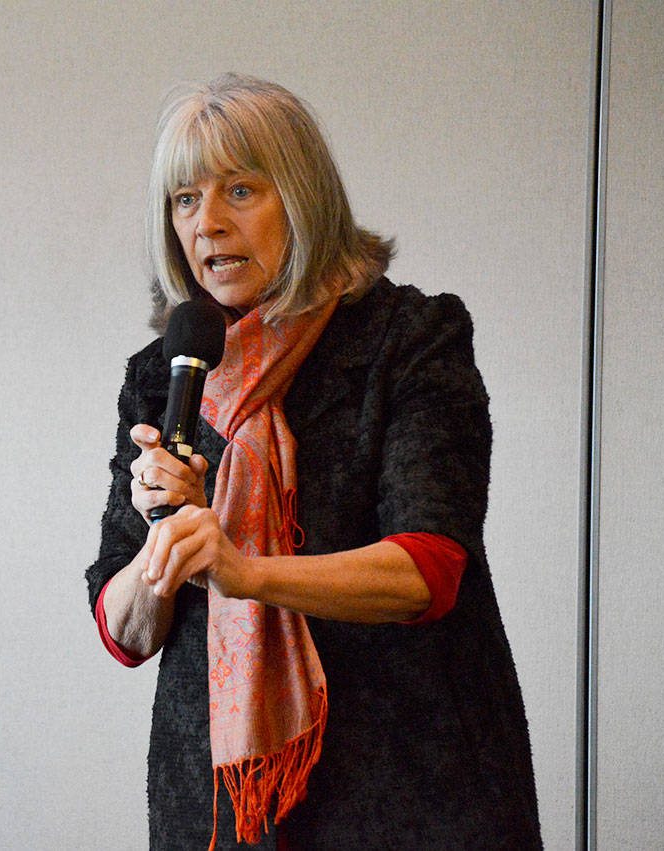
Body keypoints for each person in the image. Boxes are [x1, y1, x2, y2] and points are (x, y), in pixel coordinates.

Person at [86, 74, 541, 849]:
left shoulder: (408, 339)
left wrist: (245, 569)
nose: (209, 225)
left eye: (240, 190)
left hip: (414, 786)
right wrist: (168, 543)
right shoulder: (161, 373)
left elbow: (426, 569)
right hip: (223, 808)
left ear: (302, 198)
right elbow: (122, 630)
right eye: (186, 199)